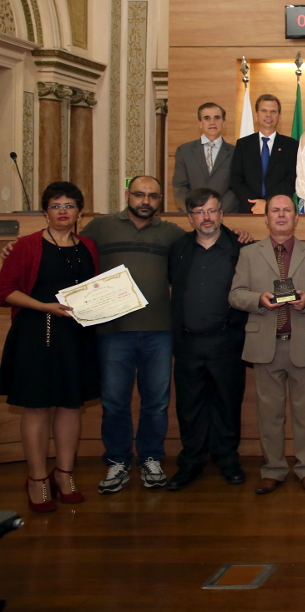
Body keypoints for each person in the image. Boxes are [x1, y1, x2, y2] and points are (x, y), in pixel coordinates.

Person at [81, 176, 185, 494]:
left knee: (157, 402)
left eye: (152, 196)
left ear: (160, 200)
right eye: (139, 194)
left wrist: (239, 233)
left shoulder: (172, 233)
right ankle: (117, 460)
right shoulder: (100, 227)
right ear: (127, 195)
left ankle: (151, 458)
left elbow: (204, 246)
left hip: (159, 331)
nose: (145, 201)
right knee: (114, 402)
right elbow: (66, 249)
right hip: (113, 332)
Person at [0, 182, 98, 512]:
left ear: (80, 212)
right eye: (56, 206)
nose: (62, 211)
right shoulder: (26, 245)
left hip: (76, 337)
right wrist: (44, 306)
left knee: (71, 406)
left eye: (69, 205)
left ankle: (64, 475)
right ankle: (37, 478)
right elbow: (4, 290)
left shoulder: (89, 246)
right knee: (37, 408)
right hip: (36, 335)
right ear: (45, 212)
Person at [228, 194, 305, 495]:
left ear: (296, 217)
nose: (282, 215)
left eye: (288, 210)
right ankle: (273, 468)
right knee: (269, 413)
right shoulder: (249, 254)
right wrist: (258, 300)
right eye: (276, 210)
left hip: (303, 343)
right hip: (265, 344)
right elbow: (235, 295)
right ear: (266, 217)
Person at [164, 187, 250, 491]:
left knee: (228, 403)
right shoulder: (178, 248)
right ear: (190, 217)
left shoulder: (241, 247)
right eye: (199, 212)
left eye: (211, 210)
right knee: (189, 406)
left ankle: (227, 459)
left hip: (227, 340)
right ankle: (191, 461)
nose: (206, 217)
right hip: (187, 343)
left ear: (221, 214)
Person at [229, 94, 299, 214]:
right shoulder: (243, 144)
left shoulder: (291, 145)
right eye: (264, 111)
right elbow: (236, 179)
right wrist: (255, 204)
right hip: (249, 209)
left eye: (273, 111)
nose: (268, 115)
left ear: (279, 116)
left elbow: (291, 179)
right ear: (256, 115)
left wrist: (267, 202)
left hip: (280, 210)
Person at [171, 102, 238, 213]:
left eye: (217, 118)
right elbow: (179, 186)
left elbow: (236, 188)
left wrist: (216, 211)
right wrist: (196, 211)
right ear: (200, 123)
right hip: (192, 215)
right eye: (207, 118)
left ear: (224, 122)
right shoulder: (184, 151)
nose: (212, 122)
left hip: (225, 214)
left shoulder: (236, 152)